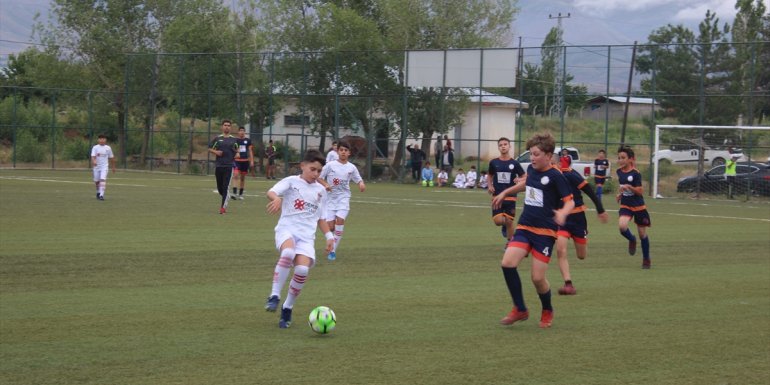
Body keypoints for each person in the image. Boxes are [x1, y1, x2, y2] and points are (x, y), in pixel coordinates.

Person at [492, 132, 574, 329]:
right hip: (525, 226)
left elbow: (570, 201)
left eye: (536, 154)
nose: (532, 158)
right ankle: (520, 308)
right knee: (507, 263)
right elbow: (527, 184)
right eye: (531, 154)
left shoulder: (556, 175)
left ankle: (547, 309)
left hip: (545, 232)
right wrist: (505, 192)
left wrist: (563, 213)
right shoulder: (532, 169)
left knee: (537, 278)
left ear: (548, 155)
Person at [264, 149, 335, 328]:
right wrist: (277, 199)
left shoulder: (321, 191)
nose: (316, 174)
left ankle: (287, 308)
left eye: (319, 171)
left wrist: (329, 236)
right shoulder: (291, 182)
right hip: (286, 230)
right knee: (288, 252)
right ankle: (274, 296)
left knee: (302, 270)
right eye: (312, 169)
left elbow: (322, 217)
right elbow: (271, 191)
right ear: (302, 166)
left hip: (306, 238)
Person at [554, 159, 609, 295]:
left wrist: (600, 209)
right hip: (563, 220)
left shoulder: (571, 175)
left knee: (581, 256)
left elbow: (589, 191)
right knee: (560, 249)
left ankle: (582, 236)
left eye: (552, 163)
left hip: (578, 219)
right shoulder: (550, 177)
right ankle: (568, 284)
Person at [319, 141, 366, 261]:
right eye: (341, 150)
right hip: (329, 199)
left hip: (343, 198)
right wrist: (325, 184)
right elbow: (319, 177)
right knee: (330, 227)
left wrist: (361, 184)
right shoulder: (330, 165)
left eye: (346, 150)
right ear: (337, 151)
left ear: (349, 153)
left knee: (340, 220)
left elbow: (358, 179)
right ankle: (331, 241)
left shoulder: (351, 167)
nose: (343, 152)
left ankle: (333, 251)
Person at [616, 145, 652, 269]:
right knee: (622, 226)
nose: (620, 160)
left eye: (623, 158)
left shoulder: (636, 174)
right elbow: (622, 186)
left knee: (642, 234)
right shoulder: (619, 172)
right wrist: (620, 194)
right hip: (626, 205)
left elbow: (640, 191)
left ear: (631, 159)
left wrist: (630, 187)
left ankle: (646, 258)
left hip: (638, 206)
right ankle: (632, 239)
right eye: (619, 157)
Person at [487, 137, 526, 241]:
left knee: (509, 220)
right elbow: (490, 175)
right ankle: (507, 225)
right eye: (501, 145)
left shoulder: (515, 163)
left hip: (511, 197)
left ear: (509, 146)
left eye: (505, 144)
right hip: (497, 196)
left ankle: (510, 243)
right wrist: (490, 186)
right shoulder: (494, 162)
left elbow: (524, 176)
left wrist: (519, 179)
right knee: (498, 221)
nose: (503, 146)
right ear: (498, 148)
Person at [209, 120, 239, 214]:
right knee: (220, 188)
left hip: (229, 166)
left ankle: (223, 208)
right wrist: (216, 152)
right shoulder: (217, 139)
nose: (227, 127)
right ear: (222, 127)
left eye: (228, 125)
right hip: (219, 165)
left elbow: (237, 150)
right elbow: (210, 148)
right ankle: (227, 196)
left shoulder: (234, 140)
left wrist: (237, 154)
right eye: (225, 125)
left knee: (226, 187)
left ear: (230, 127)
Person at [232, 126, 254, 200]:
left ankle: (240, 194)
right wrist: (235, 154)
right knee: (235, 175)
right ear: (238, 132)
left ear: (245, 132)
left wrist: (252, 161)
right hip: (237, 161)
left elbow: (250, 151)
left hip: (245, 161)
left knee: (242, 178)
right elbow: (232, 149)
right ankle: (234, 193)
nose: (241, 132)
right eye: (240, 130)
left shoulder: (248, 141)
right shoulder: (235, 140)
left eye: (243, 131)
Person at [91, 134, 116, 201]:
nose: (102, 140)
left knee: (102, 179)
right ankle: (98, 192)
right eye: (100, 139)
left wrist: (113, 167)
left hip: (104, 167)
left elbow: (112, 158)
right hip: (96, 167)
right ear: (98, 140)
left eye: (103, 139)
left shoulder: (108, 148)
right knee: (97, 182)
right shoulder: (95, 147)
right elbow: (93, 157)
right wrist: (94, 161)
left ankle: (101, 195)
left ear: (105, 140)